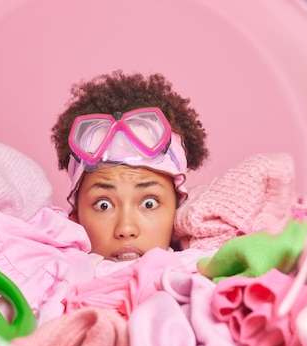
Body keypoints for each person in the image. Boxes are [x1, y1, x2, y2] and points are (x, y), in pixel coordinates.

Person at [50, 70, 209, 261]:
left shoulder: (206, 273)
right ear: (75, 216)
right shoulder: (51, 278)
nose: (126, 229)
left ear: (177, 209)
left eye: (149, 203)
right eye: (103, 205)